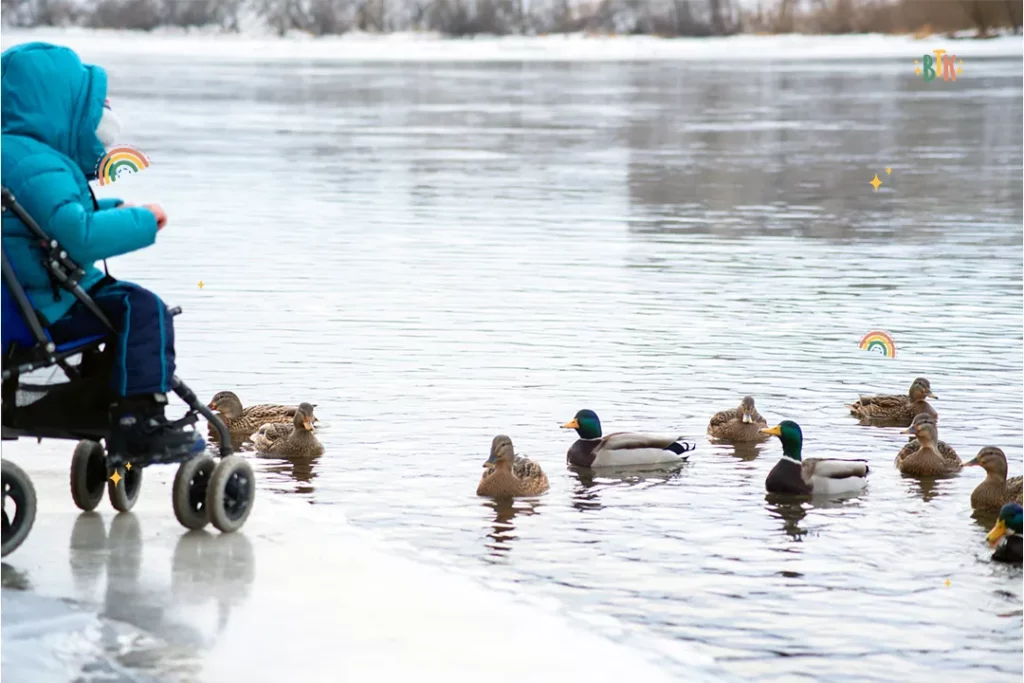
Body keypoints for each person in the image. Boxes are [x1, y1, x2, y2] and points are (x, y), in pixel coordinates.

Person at [1, 42, 203, 460]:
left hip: (13, 304)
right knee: (144, 309)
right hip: (46, 307)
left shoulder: (14, 157)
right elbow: (79, 237)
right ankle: (139, 418)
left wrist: (112, 210)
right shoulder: (42, 164)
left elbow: (37, 223)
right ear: (62, 108)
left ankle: (102, 400)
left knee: (126, 306)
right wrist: (144, 220)